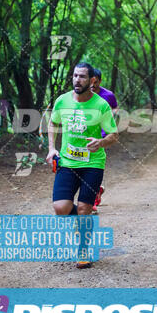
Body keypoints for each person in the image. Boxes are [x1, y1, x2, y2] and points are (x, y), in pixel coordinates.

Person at [46, 62, 118, 268]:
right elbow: (53, 123)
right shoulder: (63, 101)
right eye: (75, 76)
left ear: (92, 80)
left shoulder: (100, 105)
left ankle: (83, 249)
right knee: (61, 207)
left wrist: (101, 142)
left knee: (86, 207)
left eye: (82, 77)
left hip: (93, 163)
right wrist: (52, 148)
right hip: (68, 162)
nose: (77, 80)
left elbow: (114, 134)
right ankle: (83, 222)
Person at [90, 68, 118, 211]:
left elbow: (115, 109)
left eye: (96, 82)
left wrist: (108, 121)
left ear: (100, 81)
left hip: (101, 136)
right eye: (90, 82)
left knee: (94, 164)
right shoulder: (80, 95)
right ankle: (97, 189)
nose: (92, 85)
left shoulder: (108, 95)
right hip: (83, 135)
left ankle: (92, 200)